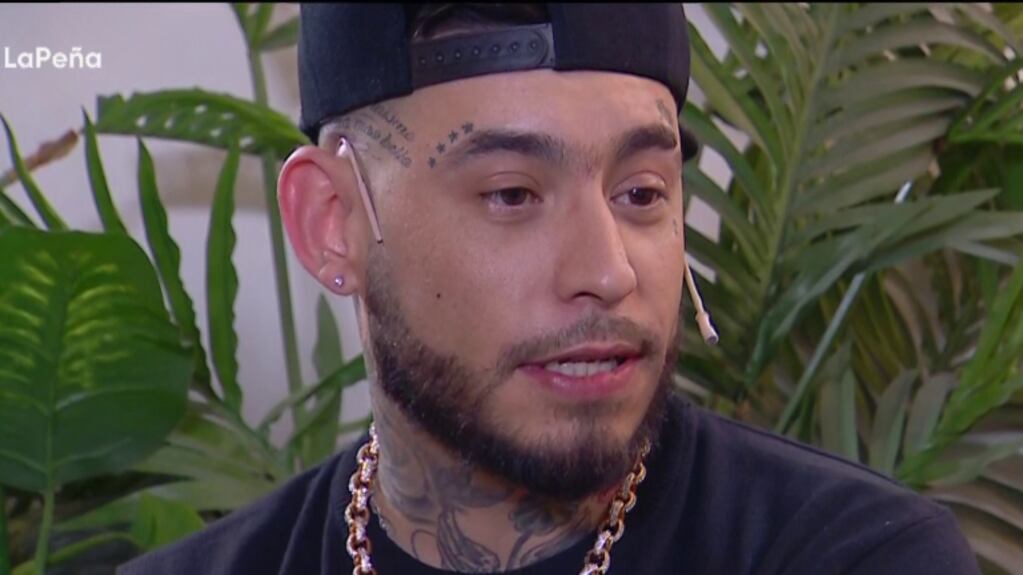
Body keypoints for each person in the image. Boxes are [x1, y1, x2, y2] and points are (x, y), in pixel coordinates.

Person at [118, 4, 979, 574]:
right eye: (511, 195)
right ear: (331, 223)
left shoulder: (854, 557)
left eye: (640, 193)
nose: (607, 272)